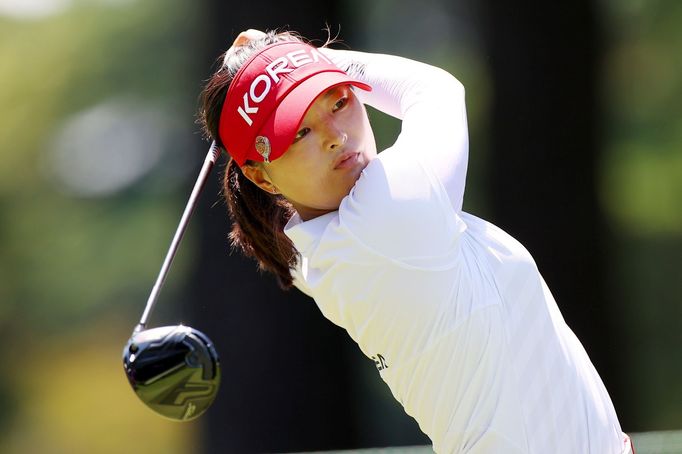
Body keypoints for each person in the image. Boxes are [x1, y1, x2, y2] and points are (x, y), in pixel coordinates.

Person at [198, 29, 632, 453]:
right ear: (258, 174)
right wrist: (313, 58)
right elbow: (435, 89)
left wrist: (283, 66)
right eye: (299, 133)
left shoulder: (312, 252)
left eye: (339, 101)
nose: (335, 135)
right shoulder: (389, 213)